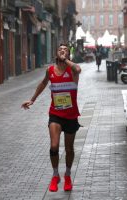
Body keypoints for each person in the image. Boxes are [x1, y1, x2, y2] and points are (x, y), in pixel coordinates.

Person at [21, 43, 81, 192]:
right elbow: (42, 84)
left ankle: (67, 175)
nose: (62, 51)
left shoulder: (72, 70)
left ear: (68, 54)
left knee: (69, 149)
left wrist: (65, 59)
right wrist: (32, 99)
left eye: (65, 50)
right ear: (56, 53)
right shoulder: (50, 70)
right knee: (54, 146)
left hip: (71, 114)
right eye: (60, 49)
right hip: (55, 113)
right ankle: (55, 175)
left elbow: (78, 69)